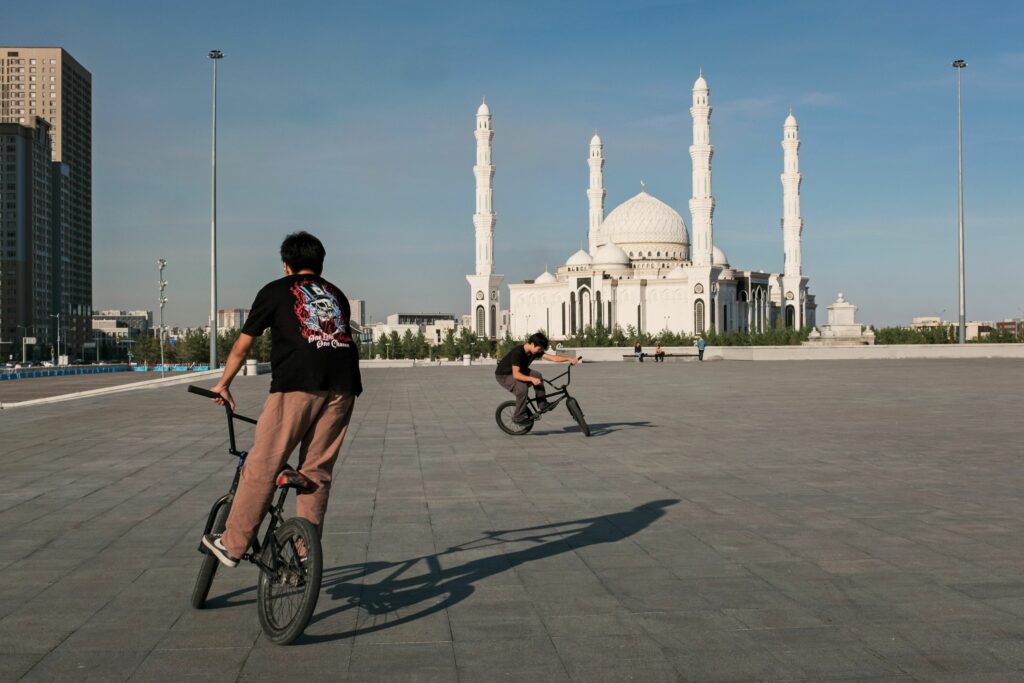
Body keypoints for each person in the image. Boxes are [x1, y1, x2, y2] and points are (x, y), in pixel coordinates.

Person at [201, 231, 362, 568]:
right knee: (316, 471)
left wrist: (223, 384)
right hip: (344, 385)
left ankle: (232, 545)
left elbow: (243, 345)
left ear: (286, 266)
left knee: (264, 462)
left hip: (298, 384)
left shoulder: (275, 290)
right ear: (320, 265)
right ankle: (305, 556)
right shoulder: (337, 294)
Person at [495, 332, 578, 424]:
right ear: (532, 344)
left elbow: (552, 358)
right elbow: (516, 375)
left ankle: (542, 404)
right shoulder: (518, 352)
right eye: (539, 349)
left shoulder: (534, 351)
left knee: (537, 375)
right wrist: (531, 379)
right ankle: (518, 417)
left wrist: (569, 359)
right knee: (522, 389)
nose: (540, 351)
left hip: (520, 371)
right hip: (504, 375)